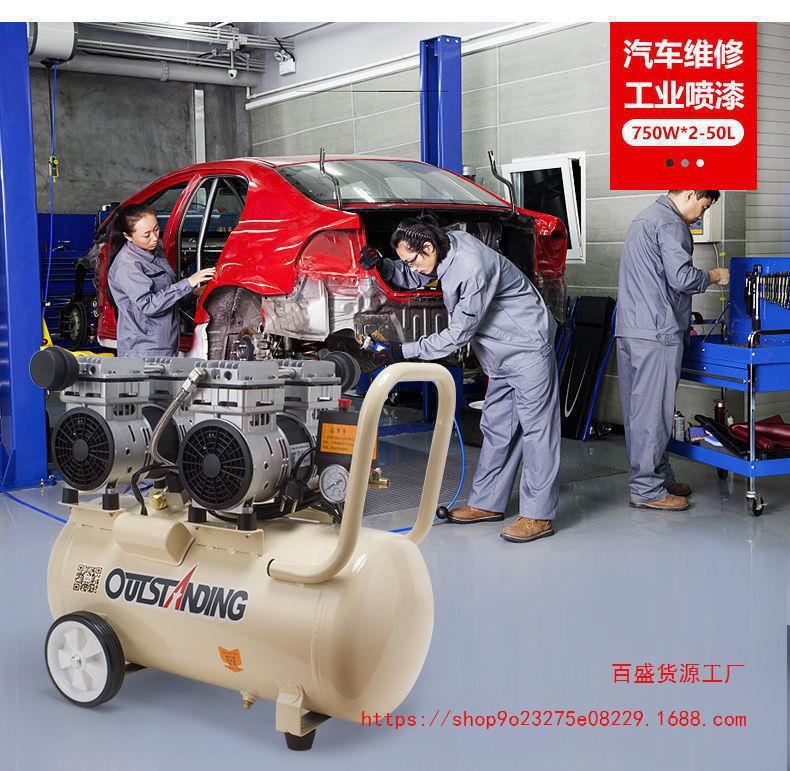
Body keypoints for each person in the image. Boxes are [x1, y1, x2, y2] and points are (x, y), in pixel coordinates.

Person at [359, 214, 561, 543]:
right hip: (498, 350)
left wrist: (403, 351)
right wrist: (385, 267)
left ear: (427, 246)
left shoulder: (470, 267)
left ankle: (538, 515)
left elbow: (457, 335)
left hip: (526, 346)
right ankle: (487, 503)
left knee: (538, 431)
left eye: (410, 260)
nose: (411, 266)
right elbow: (417, 274)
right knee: (497, 427)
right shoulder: (444, 248)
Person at [616, 190, 730, 511]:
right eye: (703, 207)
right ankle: (647, 489)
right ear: (691, 193)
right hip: (657, 333)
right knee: (653, 412)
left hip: (631, 329)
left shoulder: (644, 218)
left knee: (639, 411)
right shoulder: (671, 224)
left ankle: (660, 477)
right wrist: (714, 275)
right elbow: (681, 278)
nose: (701, 216)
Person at [107, 204, 215, 357]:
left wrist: (194, 292)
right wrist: (188, 282)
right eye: (146, 235)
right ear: (128, 236)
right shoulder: (128, 265)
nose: (154, 237)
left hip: (166, 343)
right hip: (144, 350)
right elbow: (149, 305)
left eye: (156, 229)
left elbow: (166, 292)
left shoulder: (155, 250)